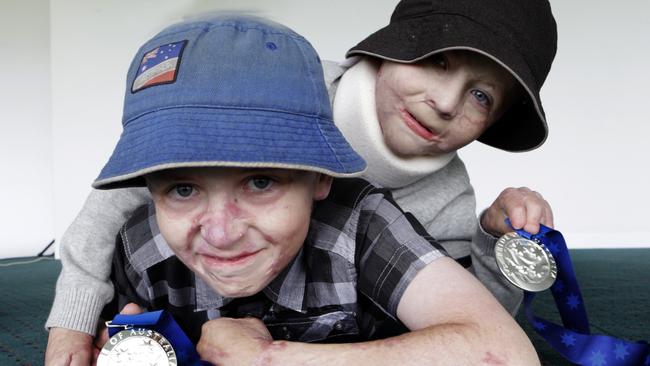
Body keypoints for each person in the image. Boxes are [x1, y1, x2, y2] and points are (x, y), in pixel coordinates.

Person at [45, 0, 558, 363]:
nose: (445, 102)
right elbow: (117, 202)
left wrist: (493, 250)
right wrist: (77, 317)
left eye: (482, 97)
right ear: (393, 48)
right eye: (437, 60)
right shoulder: (283, 85)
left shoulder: (430, 205)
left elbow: (473, 327)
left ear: (320, 175)